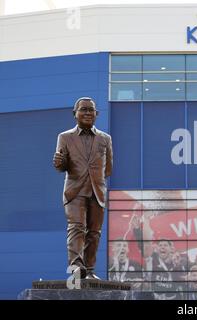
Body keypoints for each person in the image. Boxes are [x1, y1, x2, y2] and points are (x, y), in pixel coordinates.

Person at [53, 97, 113, 280]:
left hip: (97, 191)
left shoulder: (105, 139)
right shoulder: (64, 137)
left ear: (97, 114)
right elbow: (60, 166)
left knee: (94, 233)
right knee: (77, 228)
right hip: (75, 190)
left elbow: (108, 167)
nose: (87, 113)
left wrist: (97, 180)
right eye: (83, 109)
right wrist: (59, 163)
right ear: (75, 114)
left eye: (91, 110)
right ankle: (76, 270)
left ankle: (89, 270)